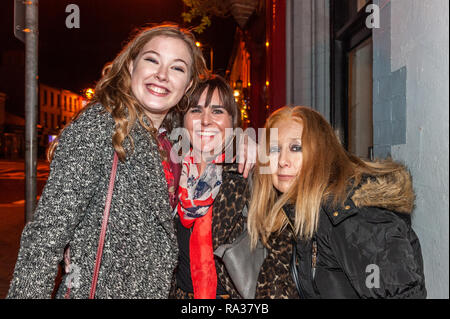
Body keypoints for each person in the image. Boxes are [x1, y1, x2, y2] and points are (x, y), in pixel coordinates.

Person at [7, 24, 209, 299]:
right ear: (130, 66)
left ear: (187, 86)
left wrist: (247, 145)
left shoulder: (171, 143)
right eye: (152, 60)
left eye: (177, 68)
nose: (162, 75)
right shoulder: (99, 127)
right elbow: (45, 237)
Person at [247, 106, 426, 299]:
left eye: (296, 148)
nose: (283, 160)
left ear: (321, 154)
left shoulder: (348, 213)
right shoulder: (302, 212)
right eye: (274, 149)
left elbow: (403, 294)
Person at [170, 75, 250, 299]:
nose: (205, 121)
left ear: (233, 121)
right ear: (183, 120)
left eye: (217, 111)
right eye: (195, 110)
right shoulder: (168, 174)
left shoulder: (248, 173)